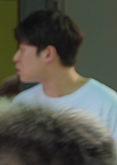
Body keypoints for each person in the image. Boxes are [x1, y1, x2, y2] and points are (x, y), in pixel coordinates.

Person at [12, 8, 117, 142]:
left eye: (22, 50)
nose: (15, 58)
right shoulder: (21, 105)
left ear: (48, 53)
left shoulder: (107, 105)